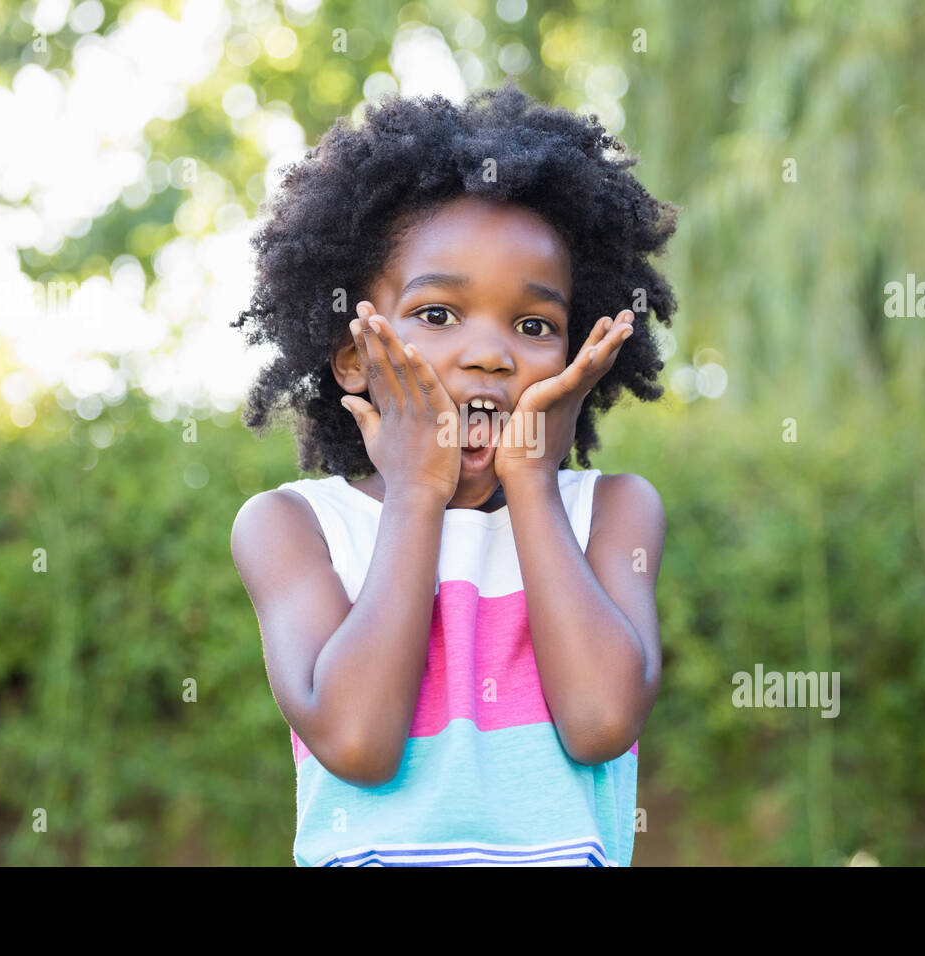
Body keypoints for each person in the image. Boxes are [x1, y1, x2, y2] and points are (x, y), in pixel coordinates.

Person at [229, 81, 678, 866]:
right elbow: (359, 742)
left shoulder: (610, 512)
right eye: (438, 314)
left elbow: (602, 720)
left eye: (535, 325)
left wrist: (534, 484)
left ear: (576, 356)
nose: (490, 354)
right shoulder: (295, 526)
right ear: (354, 358)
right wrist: (416, 494)